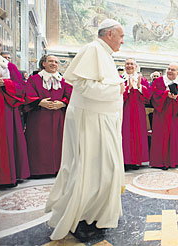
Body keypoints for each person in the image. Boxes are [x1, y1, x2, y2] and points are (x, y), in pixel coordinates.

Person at [45, 19, 125, 241]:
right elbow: (83, 85)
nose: (122, 41)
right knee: (87, 171)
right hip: (89, 121)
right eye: (121, 36)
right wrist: (116, 89)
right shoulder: (92, 50)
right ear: (109, 34)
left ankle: (93, 216)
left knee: (104, 170)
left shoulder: (105, 55)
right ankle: (78, 219)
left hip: (101, 120)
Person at [0, 34, 30, 191]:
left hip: (5, 111)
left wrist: (5, 83)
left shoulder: (9, 67)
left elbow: (22, 89)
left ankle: (6, 178)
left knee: (6, 142)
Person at [24, 55, 72, 176]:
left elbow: (70, 94)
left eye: (56, 62)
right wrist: (39, 102)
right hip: (39, 116)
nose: (54, 64)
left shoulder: (64, 81)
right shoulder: (33, 79)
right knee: (39, 142)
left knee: (59, 142)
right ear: (43, 63)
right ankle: (39, 170)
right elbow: (27, 94)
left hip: (58, 116)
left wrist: (62, 103)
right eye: (50, 61)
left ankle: (58, 169)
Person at [150, 63, 178, 169]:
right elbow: (153, 95)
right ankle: (159, 161)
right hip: (162, 113)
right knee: (161, 136)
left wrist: (176, 98)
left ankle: (174, 160)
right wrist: (165, 94)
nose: (170, 71)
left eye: (173, 70)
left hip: (176, 114)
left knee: (175, 136)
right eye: (169, 69)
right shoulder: (158, 81)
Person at [121, 58, 150, 170]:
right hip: (125, 111)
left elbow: (148, 96)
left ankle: (136, 161)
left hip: (138, 111)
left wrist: (139, 87)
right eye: (127, 64)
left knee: (138, 134)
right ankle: (124, 160)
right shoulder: (120, 79)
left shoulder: (141, 79)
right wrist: (127, 88)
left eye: (131, 64)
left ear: (136, 66)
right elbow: (116, 95)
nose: (129, 66)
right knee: (125, 135)